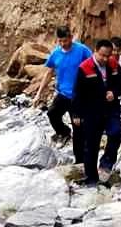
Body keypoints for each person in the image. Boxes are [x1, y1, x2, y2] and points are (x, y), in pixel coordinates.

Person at [33, 26, 92, 163]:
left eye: (65, 40)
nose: (63, 44)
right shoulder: (56, 53)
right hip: (62, 94)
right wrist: (38, 94)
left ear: (71, 37)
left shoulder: (82, 50)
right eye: (60, 41)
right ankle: (64, 132)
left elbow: (94, 65)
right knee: (52, 114)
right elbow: (49, 73)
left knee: (78, 129)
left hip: (79, 96)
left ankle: (80, 161)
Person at [72, 39, 121, 186]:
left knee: (116, 133)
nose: (105, 59)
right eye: (102, 55)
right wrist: (76, 114)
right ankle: (91, 179)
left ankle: (106, 163)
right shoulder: (85, 68)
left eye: (108, 55)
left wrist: (114, 93)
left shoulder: (114, 64)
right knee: (91, 145)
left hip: (111, 108)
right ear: (95, 51)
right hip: (91, 111)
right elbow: (77, 93)